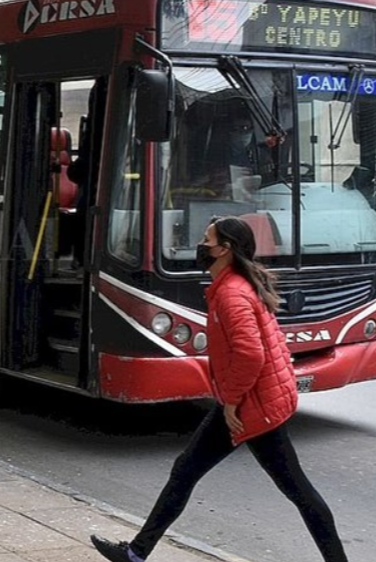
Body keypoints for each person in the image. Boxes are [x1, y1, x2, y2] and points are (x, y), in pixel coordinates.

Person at [89, 216, 348, 562]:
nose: (201, 244)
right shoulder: (235, 284)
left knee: (296, 489)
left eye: (207, 239)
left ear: (224, 249)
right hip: (256, 401)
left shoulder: (231, 293)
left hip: (252, 407)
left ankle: (136, 553)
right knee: (188, 470)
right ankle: (136, 553)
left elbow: (251, 354)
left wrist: (232, 401)